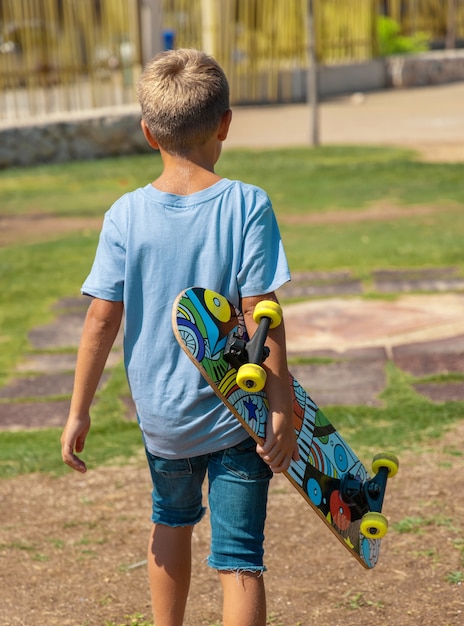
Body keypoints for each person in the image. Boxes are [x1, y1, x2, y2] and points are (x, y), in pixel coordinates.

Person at [61, 48, 298, 626]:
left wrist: (78, 412)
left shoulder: (124, 214)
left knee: (170, 520)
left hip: (162, 415)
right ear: (225, 122)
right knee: (239, 554)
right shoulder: (247, 205)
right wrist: (282, 404)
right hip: (235, 411)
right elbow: (262, 313)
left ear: (147, 132)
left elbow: (100, 319)